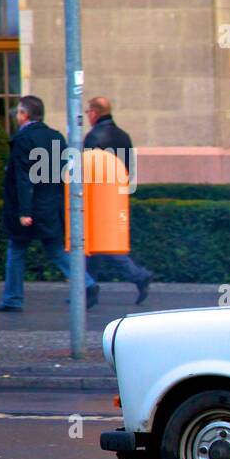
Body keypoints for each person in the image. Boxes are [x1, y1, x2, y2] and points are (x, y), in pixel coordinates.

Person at [0, 95, 99, 311]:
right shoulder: (56, 136)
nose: (17, 116)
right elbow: (63, 173)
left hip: (29, 206)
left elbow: (23, 177)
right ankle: (87, 283)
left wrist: (24, 211)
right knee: (56, 250)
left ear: (25, 114)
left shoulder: (22, 139)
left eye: (19, 112)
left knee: (17, 251)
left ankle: (13, 299)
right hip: (50, 205)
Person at [83, 97, 151, 304]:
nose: (87, 116)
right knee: (97, 246)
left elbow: (86, 171)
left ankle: (137, 276)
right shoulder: (124, 136)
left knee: (99, 245)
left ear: (94, 113)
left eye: (88, 112)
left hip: (97, 198)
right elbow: (129, 170)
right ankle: (87, 288)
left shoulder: (93, 136)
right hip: (117, 197)